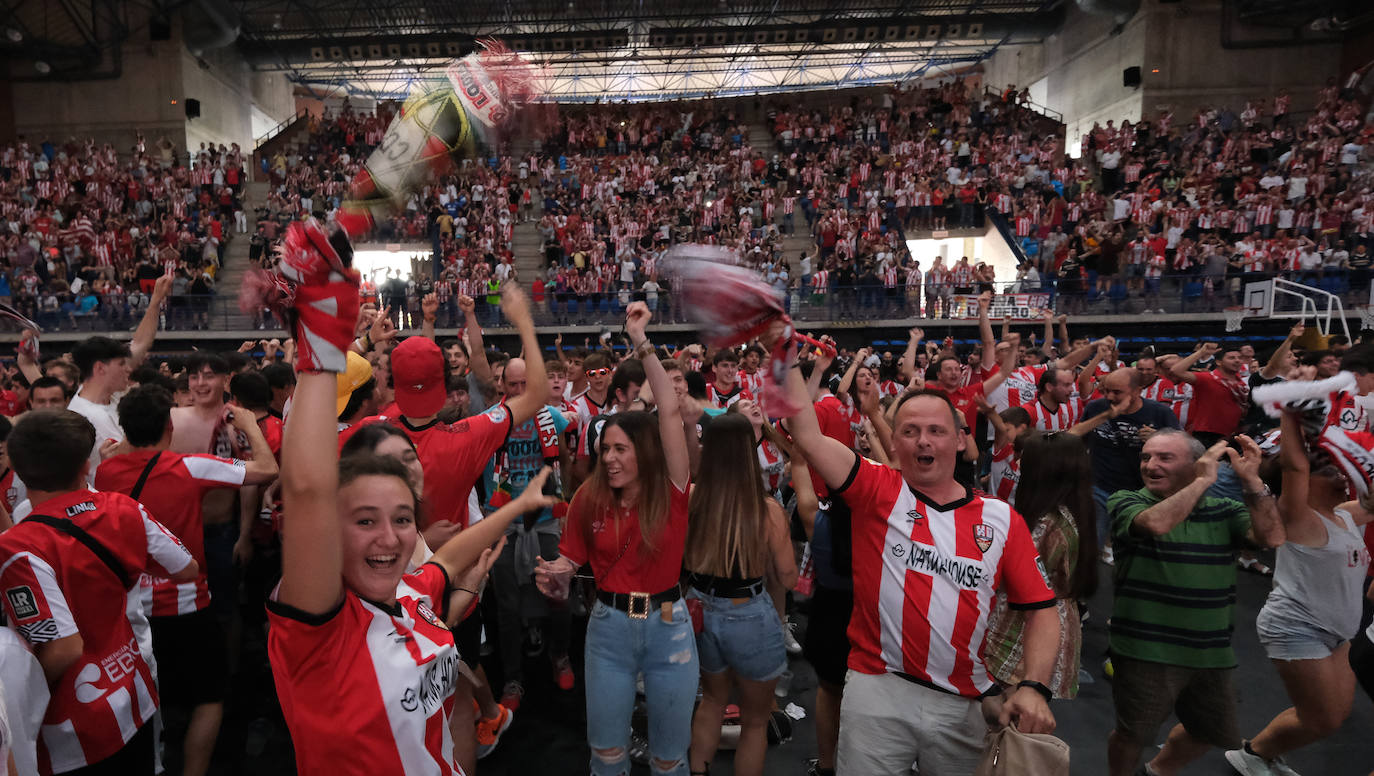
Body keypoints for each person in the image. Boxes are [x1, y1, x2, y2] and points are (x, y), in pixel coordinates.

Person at [263, 219, 556, 775]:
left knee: (452, 698)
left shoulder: (359, 438)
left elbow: (437, 560)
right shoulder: (323, 624)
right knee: (465, 690)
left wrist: (517, 507)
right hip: (444, 603)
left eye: (402, 517)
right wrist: (521, 320)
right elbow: (305, 491)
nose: (393, 535)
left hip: (431, 607)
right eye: (366, 519)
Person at [780, 332, 1059, 774]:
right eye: (910, 431)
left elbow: (1043, 609)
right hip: (877, 688)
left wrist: (1035, 687)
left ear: (960, 440)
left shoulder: (1001, 519)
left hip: (965, 701)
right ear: (894, 444)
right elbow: (808, 438)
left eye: (936, 431)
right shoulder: (877, 491)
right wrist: (785, 357)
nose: (923, 441)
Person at [535, 302, 698, 776]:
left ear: (644, 454)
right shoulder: (590, 497)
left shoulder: (671, 491)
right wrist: (558, 574)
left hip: (669, 629)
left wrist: (640, 340)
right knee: (606, 755)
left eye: (619, 449)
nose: (608, 458)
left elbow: (668, 410)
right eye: (605, 449)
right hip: (607, 630)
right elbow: (570, 558)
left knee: (670, 760)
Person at [0, 410, 197, 775]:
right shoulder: (124, 507)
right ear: (83, 467)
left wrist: (18, 692)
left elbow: (63, 647)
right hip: (132, 691)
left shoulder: (18, 548)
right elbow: (186, 568)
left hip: (68, 728)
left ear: (17, 469)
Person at [95, 386, 278, 776]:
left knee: (145, 697)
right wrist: (249, 425)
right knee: (209, 697)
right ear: (167, 427)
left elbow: (125, 451)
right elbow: (268, 470)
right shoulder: (188, 466)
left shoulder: (105, 470)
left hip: (128, 611)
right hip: (187, 606)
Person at [1105, 430, 1284, 776]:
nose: (1150, 465)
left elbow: (1273, 536)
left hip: (1210, 651)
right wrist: (1204, 481)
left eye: (1164, 457)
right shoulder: (1128, 500)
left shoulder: (1226, 510)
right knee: (1132, 735)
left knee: (1212, 731)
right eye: (1146, 457)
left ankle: (1156, 770)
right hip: (1147, 651)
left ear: (1194, 464)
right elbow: (1157, 524)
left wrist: (1251, 481)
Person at [1226, 409, 1372, 775]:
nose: (1341, 475)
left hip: (1339, 631)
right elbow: (1294, 467)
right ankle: (1252, 755)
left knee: (1333, 716)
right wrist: (1291, 413)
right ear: (1305, 484)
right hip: (1296, 626)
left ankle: (1261, 752)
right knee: (1321, 719)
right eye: (1329, 471)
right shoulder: (1298, 517)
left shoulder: (1344, 514)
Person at [684, 413, 798, 776]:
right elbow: (789, 578)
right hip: (749, 610)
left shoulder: (692, 498)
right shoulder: (767, 510)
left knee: (712, 702)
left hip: (701, 608)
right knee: (754, 722)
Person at [983, 432, 1099, 701]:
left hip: (1026, 625)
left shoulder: (1046, 523)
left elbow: (1012, 576)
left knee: (1005, 716)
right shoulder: (1076, 512)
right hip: (1059, 617)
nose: (1018, 463)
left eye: (1025, 458)